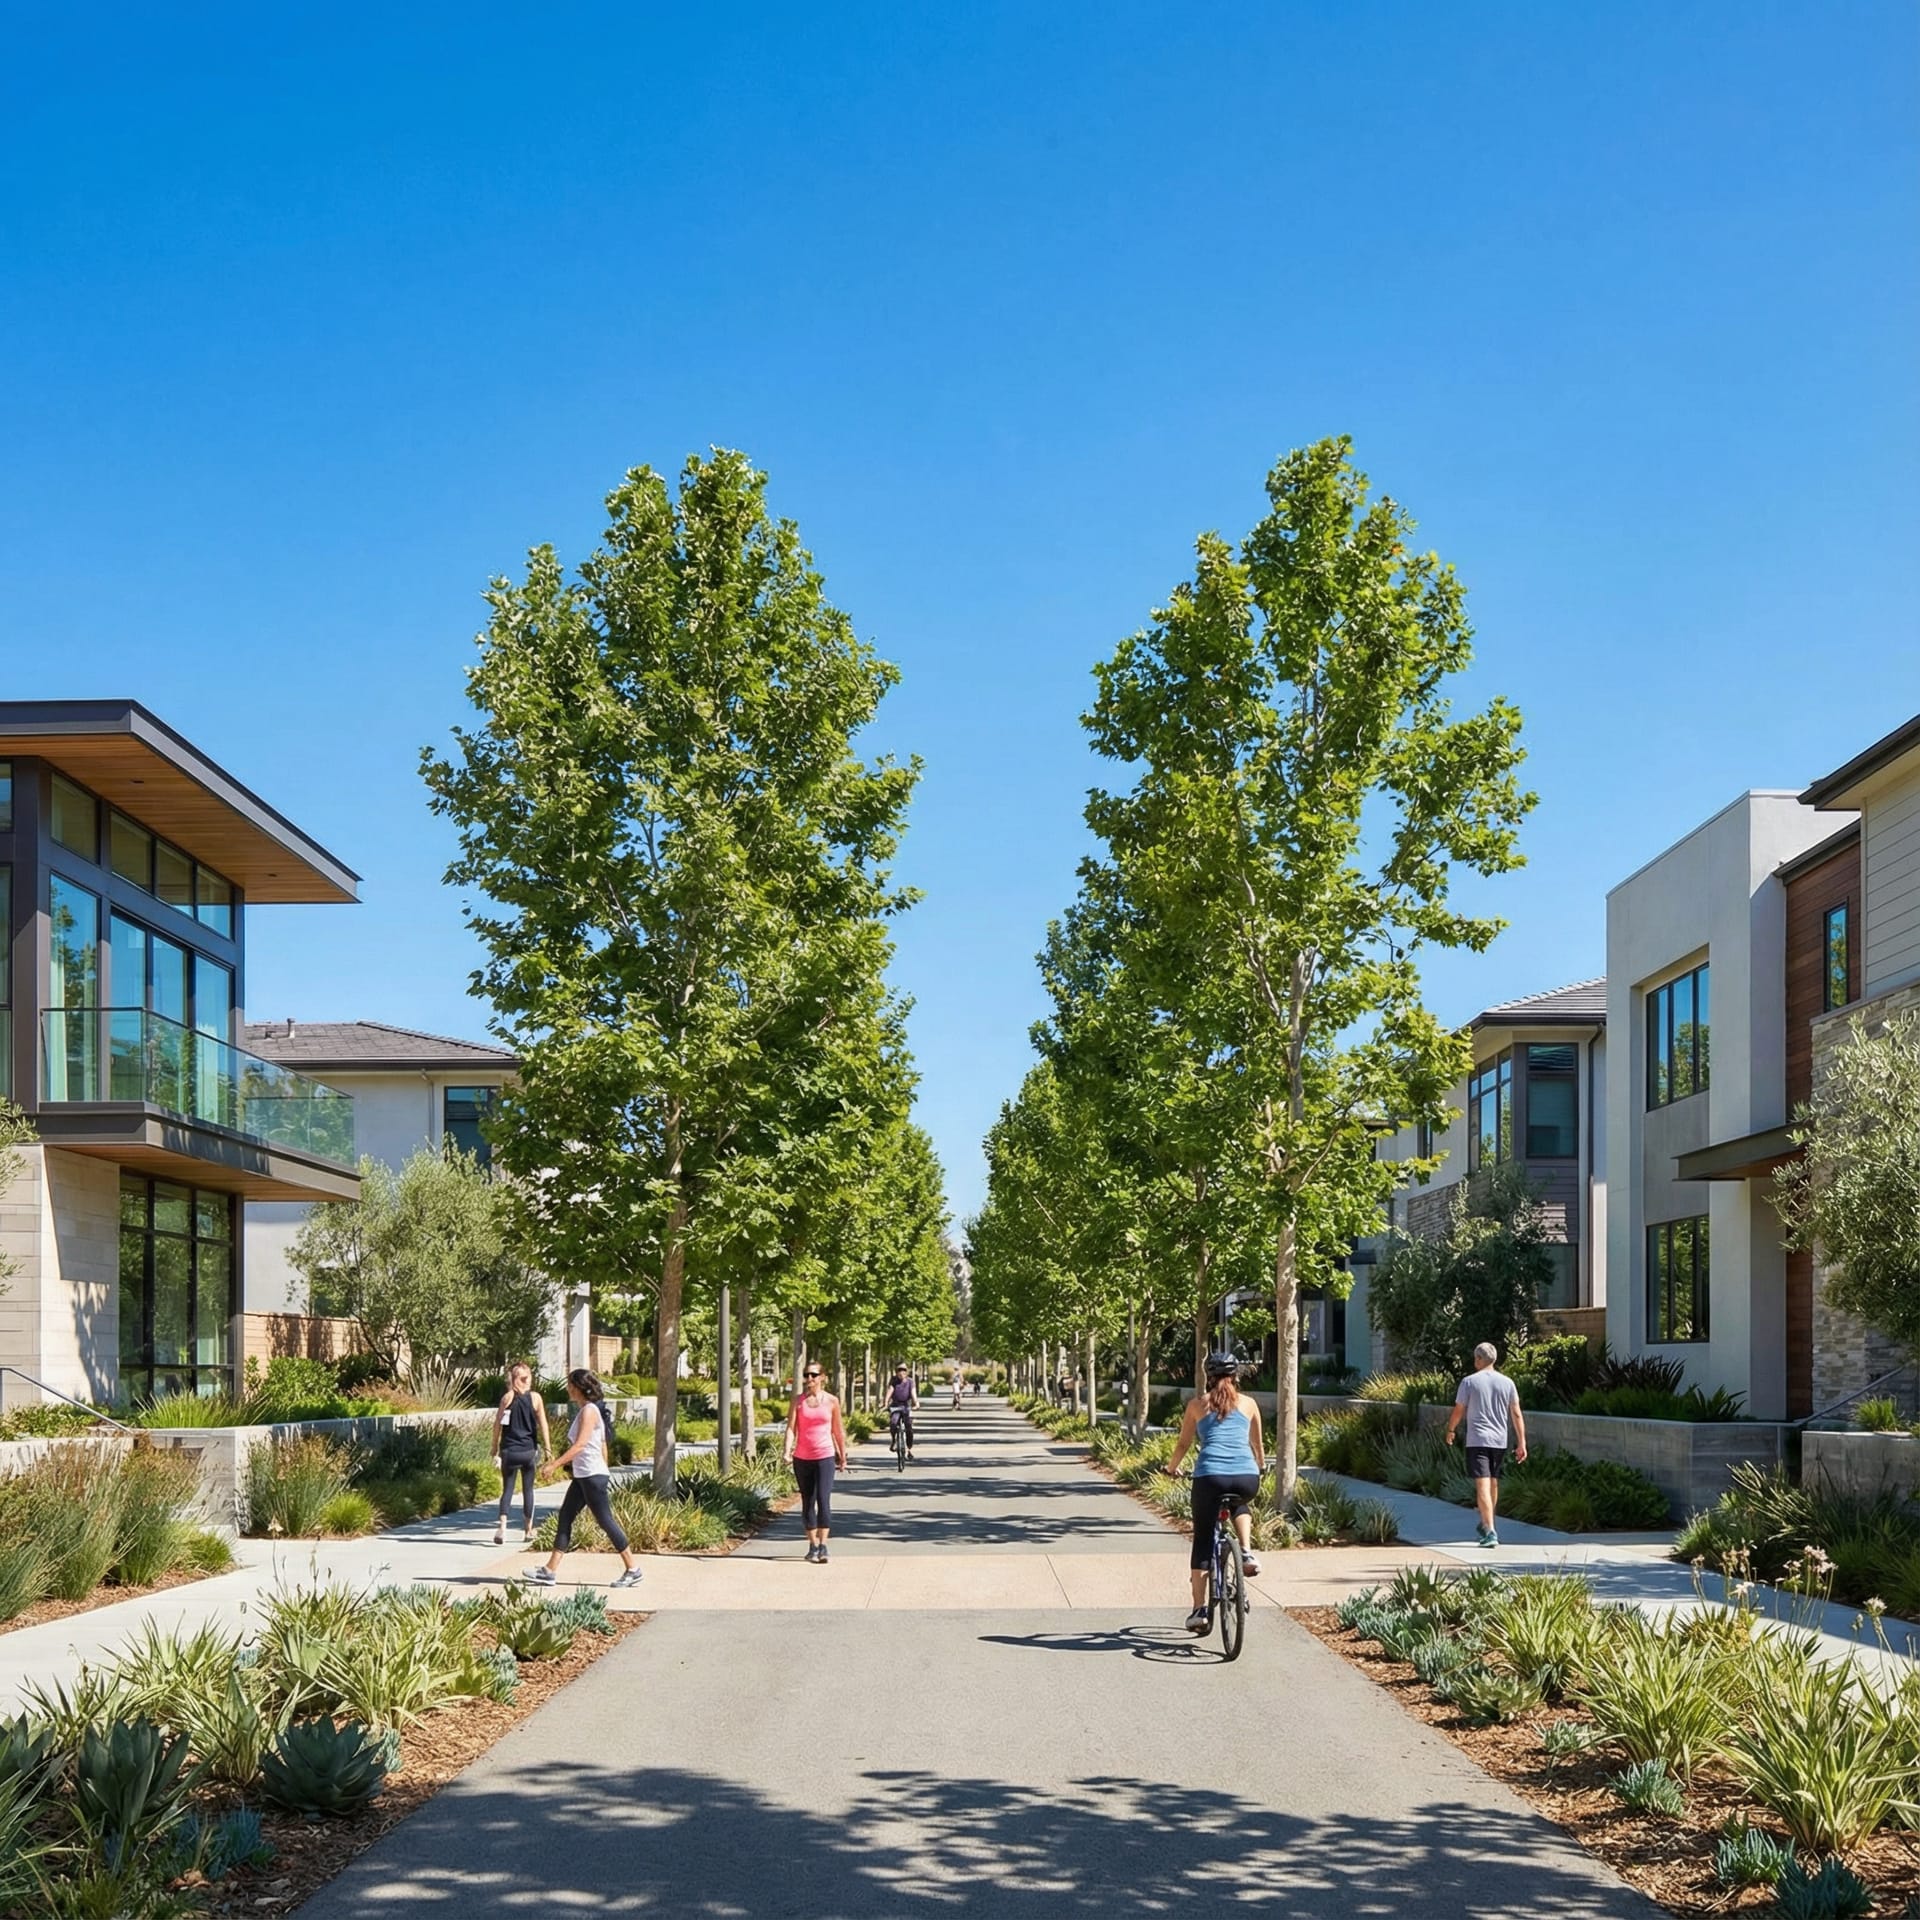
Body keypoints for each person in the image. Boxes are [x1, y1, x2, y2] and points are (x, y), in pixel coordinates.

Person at [1166, 1353, 1266, 1634]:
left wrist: (1171, 1469)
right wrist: (1260, 1467)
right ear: (1235, 1376)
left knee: (1202, 1540)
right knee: (1240, 1504)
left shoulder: (1197, 1405)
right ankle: (1245, 1552)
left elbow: (1183, 1444)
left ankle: (1199, 1611)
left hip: (1209, 1478)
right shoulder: (1249, 1404)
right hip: (1246, 1477)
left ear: (1208, 1377)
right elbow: (1257, 1445)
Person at [528, 1369, 644, 1590]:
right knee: (565, 1517)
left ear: (578, 1387)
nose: (567, 1388)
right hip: (585, 1475)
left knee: (605, 1521)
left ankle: (633, 1568)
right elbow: (601, 1444)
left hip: (591, 1475)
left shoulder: (590, 1411)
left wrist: (554, 1464)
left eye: (570, 1384)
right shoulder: (587, 1410)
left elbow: (580, 1445)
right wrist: (604, 1469)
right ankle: (549, 1571)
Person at [1444, 1341, 1528, 1548]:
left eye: (1476, 1358)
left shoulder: (1469, 1382)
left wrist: (1451, 1429)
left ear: (1479, 1359)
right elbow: (1516, 1413)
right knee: (1493, 1482)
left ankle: (1489, 1530)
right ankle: (1487, 1522)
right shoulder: (1508, 1383)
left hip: (1478, 1440)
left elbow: (1459, 1410)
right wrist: (1522, 1443)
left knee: (1482, 1483)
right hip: (1499, 1441)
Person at [783, 1362, 849, 1562]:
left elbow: (837, 1430)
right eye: (806, 1375)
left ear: (822, 1377)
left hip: (825, 1456)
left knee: (823, 1499)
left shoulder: (831, 1401)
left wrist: (843, 1455)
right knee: (808, 1501)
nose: (809, 1379)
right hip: (802, 1458)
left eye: (813, 1375)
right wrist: (786, 1451)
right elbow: (791, 1428)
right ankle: (812, 1545)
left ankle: (823, 1545)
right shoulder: (798, 1401)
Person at [491, 1359, 552, 1546]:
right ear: (526, 1378)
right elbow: (543, 1424)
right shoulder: (536, 1398)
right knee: (528, 1490)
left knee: (508, 1489)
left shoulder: (507, 1398)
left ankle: (502, 1526)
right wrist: (548, 1448)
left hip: (509, 1450)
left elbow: (497, 1425)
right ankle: (528, 1530)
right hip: (528, 1450)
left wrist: (494, 1447)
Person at [886, 1364, 919, 1457]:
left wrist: (916, 1403)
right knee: (893, 1423)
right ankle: (894, 1440)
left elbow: (913, 1393)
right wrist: (885, 1402)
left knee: (908, 1426)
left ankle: (909, 1448)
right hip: (895, 1406)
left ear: (906, 1372)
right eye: (899, 1371)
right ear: (896, 1373)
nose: (901, 1373)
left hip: (906, 1406)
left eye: (903, 1371)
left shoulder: (910, 1381)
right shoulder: (894, 1380)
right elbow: (890, 1391)